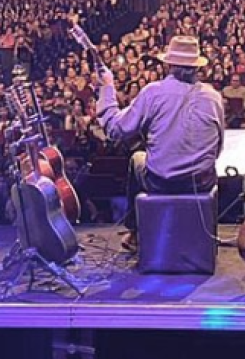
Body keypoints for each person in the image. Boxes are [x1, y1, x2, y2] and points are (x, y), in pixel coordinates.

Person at [95, 36, 224, 251]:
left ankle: (134, 233)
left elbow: (116, 130)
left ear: (169, 65)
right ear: (197, 67)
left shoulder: (153, 92)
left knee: (137, 158)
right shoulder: (213, 97)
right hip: (201, 181)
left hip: (162, 181)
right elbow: (217, 148)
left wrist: (107, 87)